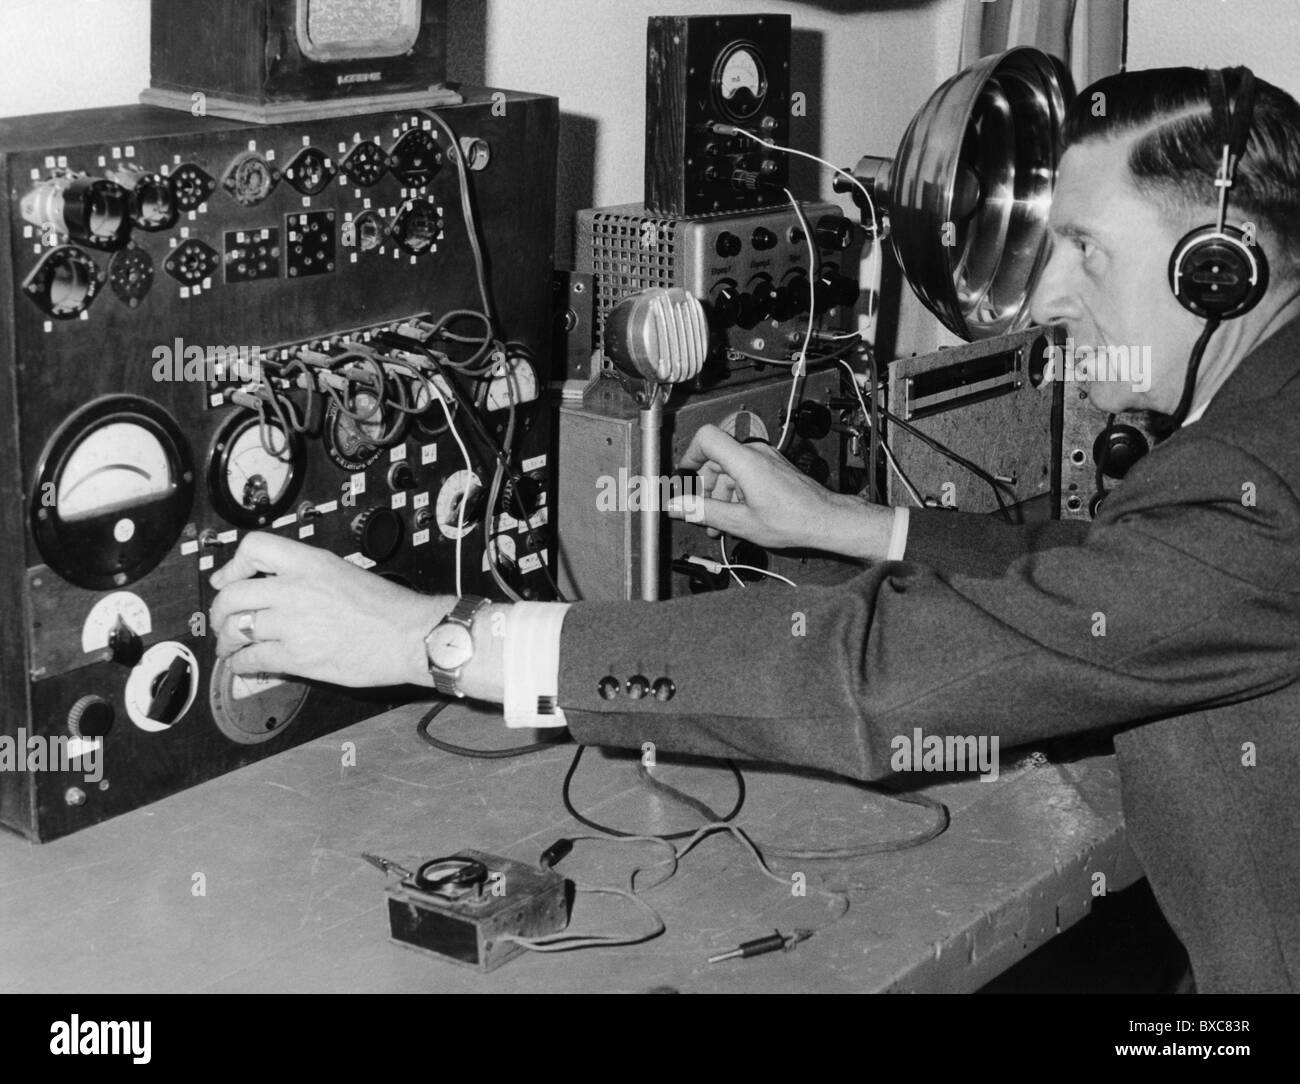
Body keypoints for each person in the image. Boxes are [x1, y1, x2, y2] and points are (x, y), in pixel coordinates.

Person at [211, 67, 1300, 993]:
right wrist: (842, 521)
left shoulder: (1257, 481)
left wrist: (436, 638)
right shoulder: (1261, 428)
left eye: (1084, 249)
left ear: (1221, 261)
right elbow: (1110, 582)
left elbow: (870, 681)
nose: (1046, 295)